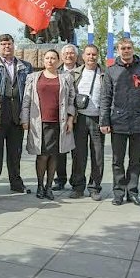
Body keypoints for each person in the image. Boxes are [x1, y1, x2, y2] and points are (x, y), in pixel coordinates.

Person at [100, 38, 140, 207]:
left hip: (139, 121)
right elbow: (105, 98)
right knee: (117, 160)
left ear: (133, 49)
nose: (126, 51)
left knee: (135, 160)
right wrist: (104, 120)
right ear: (118, 50)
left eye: (129, 48)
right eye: (123, 48)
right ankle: (118, 192)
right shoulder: (111, 71)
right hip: (118, 122)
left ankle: (133, 192)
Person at [21, 49, 75, 200]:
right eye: (47, 58)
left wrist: (70, 119)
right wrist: (25, 119)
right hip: (39, 122)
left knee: (54, 155)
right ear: (43, 60)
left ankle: (49, 186)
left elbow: (72, 99)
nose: (50, 61)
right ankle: (39, 185)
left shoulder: (66, 78)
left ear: (58, 61)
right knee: (42, 155)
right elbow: (26, 100)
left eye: (53, 58)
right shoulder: (33, 77)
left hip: (59, 122)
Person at [0, 34, 32, 194]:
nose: (6, 47)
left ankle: (16, 182)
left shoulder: (25, 66)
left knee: (15, 153)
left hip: (16, 116)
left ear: (14, 45)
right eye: (3, 44)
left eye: (9, 43)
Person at [69, 45, 105, 201]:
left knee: (98, 155)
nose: (91, 57)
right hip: (80, 119)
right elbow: (70, 96)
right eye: (88, 54)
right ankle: (78, 187)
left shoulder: (104, 74)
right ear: (82, 56)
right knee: (79, 155)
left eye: (94, 54)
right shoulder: (75, 73)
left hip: (98, 119)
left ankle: (95, 187)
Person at [53, 44, 79, 191]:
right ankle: (60, 179)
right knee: (60, 150)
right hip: (60, 116)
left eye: (71, 53)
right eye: (66, 53)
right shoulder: (56, 72)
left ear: (76, 56)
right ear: (62, 56)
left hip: (79, 117)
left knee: (77, 151)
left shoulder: (83, 70)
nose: (69, 56)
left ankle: (76, 180)